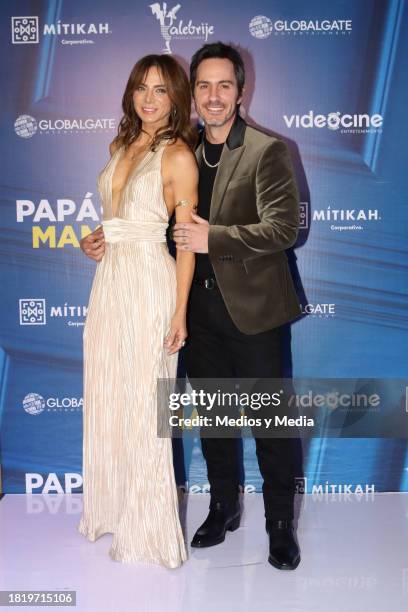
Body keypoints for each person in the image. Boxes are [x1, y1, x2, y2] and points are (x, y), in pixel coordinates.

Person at [172, 42, 302, 570]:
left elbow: (285, 228)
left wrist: (215, 239)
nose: (213, 96)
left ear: (241, 90)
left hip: (255, 313)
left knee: (271, 424)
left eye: (224, 84)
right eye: (203, 85)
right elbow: (168, 229)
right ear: (194, 93)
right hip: (198, 315)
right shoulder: (179, 152)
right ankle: (222, 506)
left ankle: (278, 524)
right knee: (216, 423)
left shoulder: (268, 149)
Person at [77, 54, 198, 568]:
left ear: (176, 98)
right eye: (141, 89)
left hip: (152, 282)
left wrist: (179, 312)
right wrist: (97, 237)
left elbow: (187, 241)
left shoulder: (177, 156)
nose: (148, 99)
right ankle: (114, 510)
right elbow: (118, 217)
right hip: (110, 282)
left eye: (161, 90)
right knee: (109, 393)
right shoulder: (119, 144)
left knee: (148, 407)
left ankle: (149, 530)